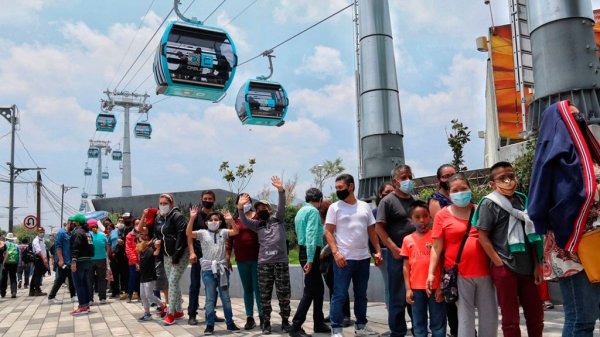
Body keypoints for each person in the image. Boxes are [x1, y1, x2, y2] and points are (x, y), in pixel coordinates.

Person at [528, 101, 600, 336]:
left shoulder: (590, 156)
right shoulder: (559, 162)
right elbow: (556, 204)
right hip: (573, 248)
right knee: (581, 318)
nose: (581, 118)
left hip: (595, 245)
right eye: (574, 116)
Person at [474, 161, 544, 337]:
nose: (507, 181)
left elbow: (532, 235)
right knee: (510, 319)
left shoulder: (523, 200)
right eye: (502, 178)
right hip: (505, 268)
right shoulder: (489, 203)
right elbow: (483, 237)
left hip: (528, 267)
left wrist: (536, 265)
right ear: (492, 183)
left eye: (510, 176)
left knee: (536, 315)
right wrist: (499, 263)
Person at [427, 173, 498, 337]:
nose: (460, 192)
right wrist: (431, 273)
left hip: (486, 272)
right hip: (459, 274)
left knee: (490, 317)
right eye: (455, 190)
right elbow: (437, 246)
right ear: (449, 193)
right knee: (465, 318)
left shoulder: (481, 209)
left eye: (464, 188)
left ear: (470, 189)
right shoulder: (442, 215)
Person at [325, 173, 383, 337]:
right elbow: (328, 232)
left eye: (340, 187)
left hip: (363, 258)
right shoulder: (334, 207)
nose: (338, 191)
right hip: (343, 259)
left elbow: (372, 230)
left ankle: (361, 327)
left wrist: (377, 251)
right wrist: (336, 253)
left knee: (361, 295)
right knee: (340, 295)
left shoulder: (364, 206)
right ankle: (336, 330)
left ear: (351, 187)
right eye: (336, 188)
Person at [238, 176, 291, 334]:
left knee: (284, 294)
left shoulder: (278, 219)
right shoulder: (256, 225)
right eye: (258, 208)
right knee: (264, 294)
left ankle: (285, 321)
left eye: (264, 208)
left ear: (269, 209)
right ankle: (266, 322)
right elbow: (244, 221)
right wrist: (240, 208)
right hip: (264, 264)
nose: (261, 210)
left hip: (281, 262)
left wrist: (281, 190)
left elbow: (282, 206)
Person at [375, 165, 416, 337]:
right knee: (398, 297)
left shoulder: (413, 200)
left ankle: (418, 328)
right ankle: (397, 332)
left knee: (415, 295)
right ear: (395, 181)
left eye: (409, 177)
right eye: (403, 178)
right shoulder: (388, 201)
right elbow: (379, 227)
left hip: (416, 256)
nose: (407, 181)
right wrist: (393, 248)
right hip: (397, 256)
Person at [188, 209, 241, 334]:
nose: (213, 222)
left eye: (216, 220)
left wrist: (231, 220)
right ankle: (210, 324)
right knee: (210, 298)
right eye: (210, 220)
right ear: (206, 223)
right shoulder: (202, 233)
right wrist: (192, 218)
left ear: (220, 221)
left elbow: (236, 231)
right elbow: (189, 233)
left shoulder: (223, 231)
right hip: (208, 271)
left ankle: (230, 323)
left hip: (222, 270)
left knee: (225, 297)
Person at [289, 188, 330, 337]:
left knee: (318, 289)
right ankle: (295, 327)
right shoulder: (313, 212)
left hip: (304, 251)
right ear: (319, 199)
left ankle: (318, 323)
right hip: (309, 253)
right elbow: (311, 235)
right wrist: (311, 259)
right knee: (310, 291)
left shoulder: (300, 211)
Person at [401, 201, 445, 337]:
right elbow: (405, 267)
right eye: (417, 217)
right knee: (418, 324)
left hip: (435, 287)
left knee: (438, 323)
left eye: (425, 216)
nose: (422, 220)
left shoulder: (436, 238)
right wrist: (408, 289)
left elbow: (443, 263)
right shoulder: (407, 240)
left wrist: (440, 287)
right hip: (416, 289)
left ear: (430, 217)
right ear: (410, 220)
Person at [428, 163, 458, 337]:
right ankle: (455, 331)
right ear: (439, 179)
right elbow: (440, 230)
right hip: (447, 254)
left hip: (465, 255)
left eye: (453, 174)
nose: (449, 178)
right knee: (451, 296)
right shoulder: (436, 200)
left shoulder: (461, 195)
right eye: (446, 176)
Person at [187, 190, 224, 325]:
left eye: (210, 199)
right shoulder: (195, 216)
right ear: (201, 199)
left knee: (213, 287)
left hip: (214, 258)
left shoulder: (218, 216)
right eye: (205, 198)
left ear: (214, 200)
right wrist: (191, 252)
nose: (207, 200)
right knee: (195, 286)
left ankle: (211, 313)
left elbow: (224, 236)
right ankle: (192, 314)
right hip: (198, 256)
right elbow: (189, 235)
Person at [229, 193, 262, 330]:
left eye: (247, 200)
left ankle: (263, 317)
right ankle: (250, 318)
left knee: (258, 289)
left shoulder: (258, 216)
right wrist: (227, 256)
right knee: (247, 289)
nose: (245, 202)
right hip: (241, 259)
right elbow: (229, 238)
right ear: (238, 204)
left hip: (258, 258)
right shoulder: (235, 220)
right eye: (242, 200)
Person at [158, 193, 189, 325]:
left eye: (165, 203)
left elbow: (181, 237)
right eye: (161, 203)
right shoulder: (159, 218)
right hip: (166, 254)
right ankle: (179, 310)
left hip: (180, 254)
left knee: (172, 282)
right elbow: (157, 234)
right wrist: (156, 242)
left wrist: (176, 256)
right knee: (173, 283)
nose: (163, 206)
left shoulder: (178, 216)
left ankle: (170, 313)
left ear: (171, 204)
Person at [319, 200, 352, 327]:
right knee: (332, 287)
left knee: (340, 287)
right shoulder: (325, 222)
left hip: (334, 257)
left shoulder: (335, 223)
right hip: (326, 261)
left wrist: (323, 251)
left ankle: (345, 315)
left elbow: (334, 239)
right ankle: (335, 312)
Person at [372, 182, 394, 310]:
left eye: (392, 192)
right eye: (387, 193)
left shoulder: (397, 210)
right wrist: (376, 254)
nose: (390, 195)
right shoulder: (375, 212)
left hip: (400, 250)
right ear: (380, 194)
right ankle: (392, 313)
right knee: (389, 284)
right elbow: (371, 235)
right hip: (384, 252)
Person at [70, 214, 94, 316]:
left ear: (77, 222)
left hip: (79, 261)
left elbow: (75, 247)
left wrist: (74, 261)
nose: (72, 223)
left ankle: (83, 306)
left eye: (73, 221)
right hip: (88, 260)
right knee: (85, 284)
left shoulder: (77, 233)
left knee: (79, 284)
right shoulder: (87, 233)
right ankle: (86, 305)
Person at [48, 218, 76, 304]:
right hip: (63, 261)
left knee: (71, 279)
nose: (74, 226)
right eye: (73, 225)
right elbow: (58, 247)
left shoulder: (70, 233)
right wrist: (60, 260)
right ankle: (51, 297)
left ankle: (73, 296)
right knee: (60, 279)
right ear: (68, 223)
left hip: (69, 261)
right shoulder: (61, 233)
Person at [137, 235, 165, 321]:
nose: (138, 244)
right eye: (138, 242)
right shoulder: (141, 252)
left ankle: (162, 305)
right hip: (143, 277)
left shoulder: (150, 250)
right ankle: (147, 313)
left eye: (140, 241)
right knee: (142, 296)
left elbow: (156, 253)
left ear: (146, 242)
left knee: (149, 295)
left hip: (150, 277)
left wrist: (158, 248)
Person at [89, 219, 109, 304]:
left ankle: (96, 298)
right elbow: (107, 246)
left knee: (93, 279)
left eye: (95, 227)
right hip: (96, 259)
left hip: (97, 259)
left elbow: (107, 246)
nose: (94, 228)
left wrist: (106, 255)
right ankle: (97, 298)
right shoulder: (101, 235)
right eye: (93, 227)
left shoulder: (89, 235)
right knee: (97, 279)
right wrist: (106, 255)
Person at [109, 217, 128, 299]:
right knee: (114, 274)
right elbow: (109, 243)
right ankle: (114, 291)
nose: (121, 222)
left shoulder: (127, 231)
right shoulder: (112, 232)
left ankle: (125, 291)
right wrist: (108, 254)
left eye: (122, 221)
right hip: (114, 255)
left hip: (124, 255)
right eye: (119, 221)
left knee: (125, 274)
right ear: (117, 223)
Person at [30, 227, 48, 297]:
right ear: (37, 233)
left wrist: (45, 258)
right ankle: (37, 290)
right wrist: (44, 259)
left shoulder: (42, 240)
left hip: (42, 258)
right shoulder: (36, 240)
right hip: (38, 259)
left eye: (43, 232)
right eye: (41, 232)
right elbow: (38, 251)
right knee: (38, 275)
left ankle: (32, 290)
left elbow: (44, 250)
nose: (42, 233)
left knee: (35, 275)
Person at [125, 224, 140, 303]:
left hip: (143, 260)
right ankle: (129, 295)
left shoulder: (143, 234)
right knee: (132, 278)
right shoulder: (129, 236)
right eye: (136, 223)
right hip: (133, 261)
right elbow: (128, 249)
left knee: (141, 279)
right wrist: (135, 261)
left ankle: (140, 295)